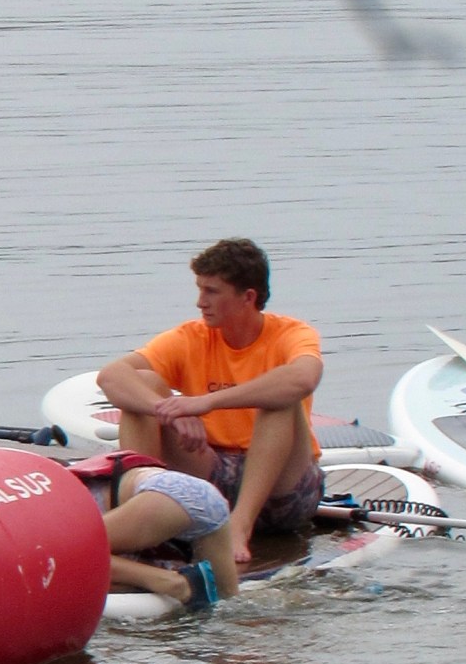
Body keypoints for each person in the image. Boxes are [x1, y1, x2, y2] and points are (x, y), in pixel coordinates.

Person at [96, 239, 323, 569]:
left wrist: (204, 403)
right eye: (200, 289)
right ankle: (140, 518)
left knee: (281, 398)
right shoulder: (192, 337)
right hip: (212, 469)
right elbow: (111, 376)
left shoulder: (291, 333)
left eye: (212, 291)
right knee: (144, 384)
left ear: (248, 297)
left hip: (284, 487)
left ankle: (240, 524)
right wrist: (168, 411)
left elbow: (303, 379)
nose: (200, 302)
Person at [73, 451, 240, 609]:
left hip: (166, 496)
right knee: (228, 603)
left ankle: (171, 583)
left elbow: (84, 561)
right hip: (206, 496)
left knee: (76, 556)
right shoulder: (70, 484)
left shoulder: (66, 510)